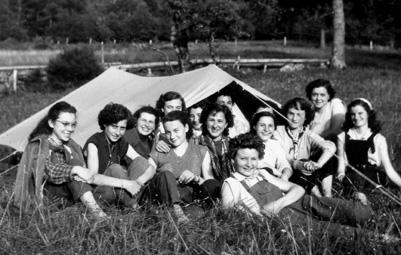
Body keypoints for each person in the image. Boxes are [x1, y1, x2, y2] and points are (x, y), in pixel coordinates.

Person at [13, 102, 139, 220]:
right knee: (75, 170)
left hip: (74, 199)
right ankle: (97, 214)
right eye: (65, 124)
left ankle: (135, 210)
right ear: (51, 123)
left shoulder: (73, 146)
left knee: (113, 173)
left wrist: (122, 183)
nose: (70, 129)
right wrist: (74, 169)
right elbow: (48, 170)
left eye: (73, 125)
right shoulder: (39, 144)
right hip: (48, 202)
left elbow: (89, 176)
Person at [221, 133, 373, 229]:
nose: (249, 164)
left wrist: (277, 203)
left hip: (302, 203)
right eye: (243, 159)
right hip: (286, 219)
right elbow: (229, 218)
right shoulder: (231, 183)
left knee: (361, 213)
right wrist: (256, 215)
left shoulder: (261, 173)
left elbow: (298, 189)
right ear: (233, 158)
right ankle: (381, 238)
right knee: (335, 231)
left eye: (253, 159)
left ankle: (360, 202)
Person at [143, 111, 220, 223]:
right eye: (168, 132)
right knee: (165, 175)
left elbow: (209, 182)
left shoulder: (200, 150)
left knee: (212, 186)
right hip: (164, 199)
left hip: (188, 198)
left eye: (176, 130)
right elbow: (147, 179)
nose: (172, 136)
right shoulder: (159, 151)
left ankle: (199, 214)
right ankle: (176, 212)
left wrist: (195, 178)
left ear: (186, 127)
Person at [84, 103, 154, 207]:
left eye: (122, 128)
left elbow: (148, 166)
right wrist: (125, 184)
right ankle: (134, 207)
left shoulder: (121, 142)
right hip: (100, 192)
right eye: (114, 127)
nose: (117, 132)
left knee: (140, 161)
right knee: (115, 168)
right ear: (105, 124)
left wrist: (139, 181)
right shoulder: (94, 143)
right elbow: (93, 178)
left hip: (119, 191)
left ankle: (130, 204)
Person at [337, 98, 401, 198]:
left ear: (368, 114)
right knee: (354, 184)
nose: (356, 117)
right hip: (352, 175)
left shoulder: (379, 139)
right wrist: (341, 174)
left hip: (372, 175)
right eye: (353, 114)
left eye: (360, 113)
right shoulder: (342, 137)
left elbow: (389, 170)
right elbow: (341, 163)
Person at [274, 98, 336, 197]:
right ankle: (319, 198)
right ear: (285, 114)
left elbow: (330, 146)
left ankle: (327, 195)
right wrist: (296, 164)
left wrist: (318, 164)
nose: (294, 118)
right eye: (291, 113)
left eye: (299, 115)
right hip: (287, 174)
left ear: (306, 117)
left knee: (327, 156)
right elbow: (280, 156)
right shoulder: (277, 132)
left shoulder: (308, 134)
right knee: (303, 162)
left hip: (306, 172)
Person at [197, 103, 234, 183]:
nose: (215, 125)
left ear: (226, 124)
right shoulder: (196, 143)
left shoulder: (233, 144)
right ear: (205, 121)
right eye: (211, 120)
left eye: (220, 121)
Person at [251, 110, 292, 180]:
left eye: (270, 126)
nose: (266, 129)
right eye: (262, 125)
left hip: (271, 182)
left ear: (274, 128)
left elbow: (283, 163)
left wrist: (285, 175)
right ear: (254, 126)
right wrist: (277, 173)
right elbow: (259, 165)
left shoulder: (275, 144)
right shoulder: (247, 142)